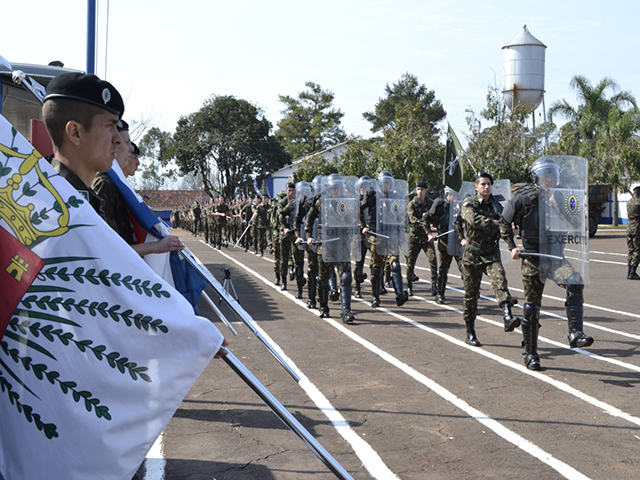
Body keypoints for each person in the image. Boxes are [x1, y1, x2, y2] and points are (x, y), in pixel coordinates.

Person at [500, 157, 594, 370]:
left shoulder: (563, 198)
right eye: (545, 174)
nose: (549, 178)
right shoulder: (522, 199)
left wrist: (559, 207)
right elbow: (504, 223)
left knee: (575, 282)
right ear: (536, 177)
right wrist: (512, 246)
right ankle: (531, 354)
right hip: (532, 259)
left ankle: (575, 333)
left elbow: (579, 224)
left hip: (555, 258)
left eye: (552, 174)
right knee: (532, 308)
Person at [457, 172, 520, 346]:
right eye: (483, 184)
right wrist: (498, 224)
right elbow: (474, 220)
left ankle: (508, 316)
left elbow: (505, 230)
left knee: (500, 281)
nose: (486, 187)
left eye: (489, 184)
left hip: (491, 253)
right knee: (471, 296)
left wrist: (512, 246)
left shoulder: (497, 206)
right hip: (472, 256)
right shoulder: (469, 203)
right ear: (476, 187)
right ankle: (470, 331)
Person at [306, 174, 357, 322]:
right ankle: (324, 307)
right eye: (334, 188)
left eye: (339, 187)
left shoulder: (347, 202)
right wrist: (309, 236)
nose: (336, 190)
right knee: (322, 279)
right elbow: (309, 220)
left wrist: (340, 213)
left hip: (343, 245)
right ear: (329, 188)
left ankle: (345, 311)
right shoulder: (321, 201)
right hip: (326, 245)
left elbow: (352, 221)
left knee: (346, 277)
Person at [362, 171, 409, 308]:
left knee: (395, 264)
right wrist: (364, 226)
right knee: (376, 269)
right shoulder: (372, 197)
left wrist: (400, 220)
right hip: (377, 235)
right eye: (384, 183)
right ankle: (375, 297)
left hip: (391, 234)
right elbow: (359, 208)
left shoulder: (395, 197)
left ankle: (399, 294)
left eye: (388, 183)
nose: (386, 186)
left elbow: (401, 216)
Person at [429, 187, 464, 304]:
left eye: (456, 194)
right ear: (447, 195)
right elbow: (428, 219)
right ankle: (440, 294)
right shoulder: (441, 206)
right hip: (445, 242)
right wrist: (430, 232)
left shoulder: (462, 206)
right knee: (443, 270)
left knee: (466, 269)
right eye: (452, 194)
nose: (454, 197)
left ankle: (472, 300)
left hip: (459, 243)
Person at [406, 180, 438, 296]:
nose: (419, 192)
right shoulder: (412, 204)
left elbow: (435, 216)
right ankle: (409, 285)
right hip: (414, 237)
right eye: (418, 189)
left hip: (426, 238)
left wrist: (435, 224)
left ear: (426, 190)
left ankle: (434, 284)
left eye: (422, 189)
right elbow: (412, 219)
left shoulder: (430, 203)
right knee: (410, 261)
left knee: (433, 259)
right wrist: (426, 224)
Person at [627, 186, 640, 280]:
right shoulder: (638, 203)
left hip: (629, 228)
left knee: (631, 249)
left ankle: (629, 271)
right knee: (637, 250)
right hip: (637, 228)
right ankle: (633, 272)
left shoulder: (629, 202)